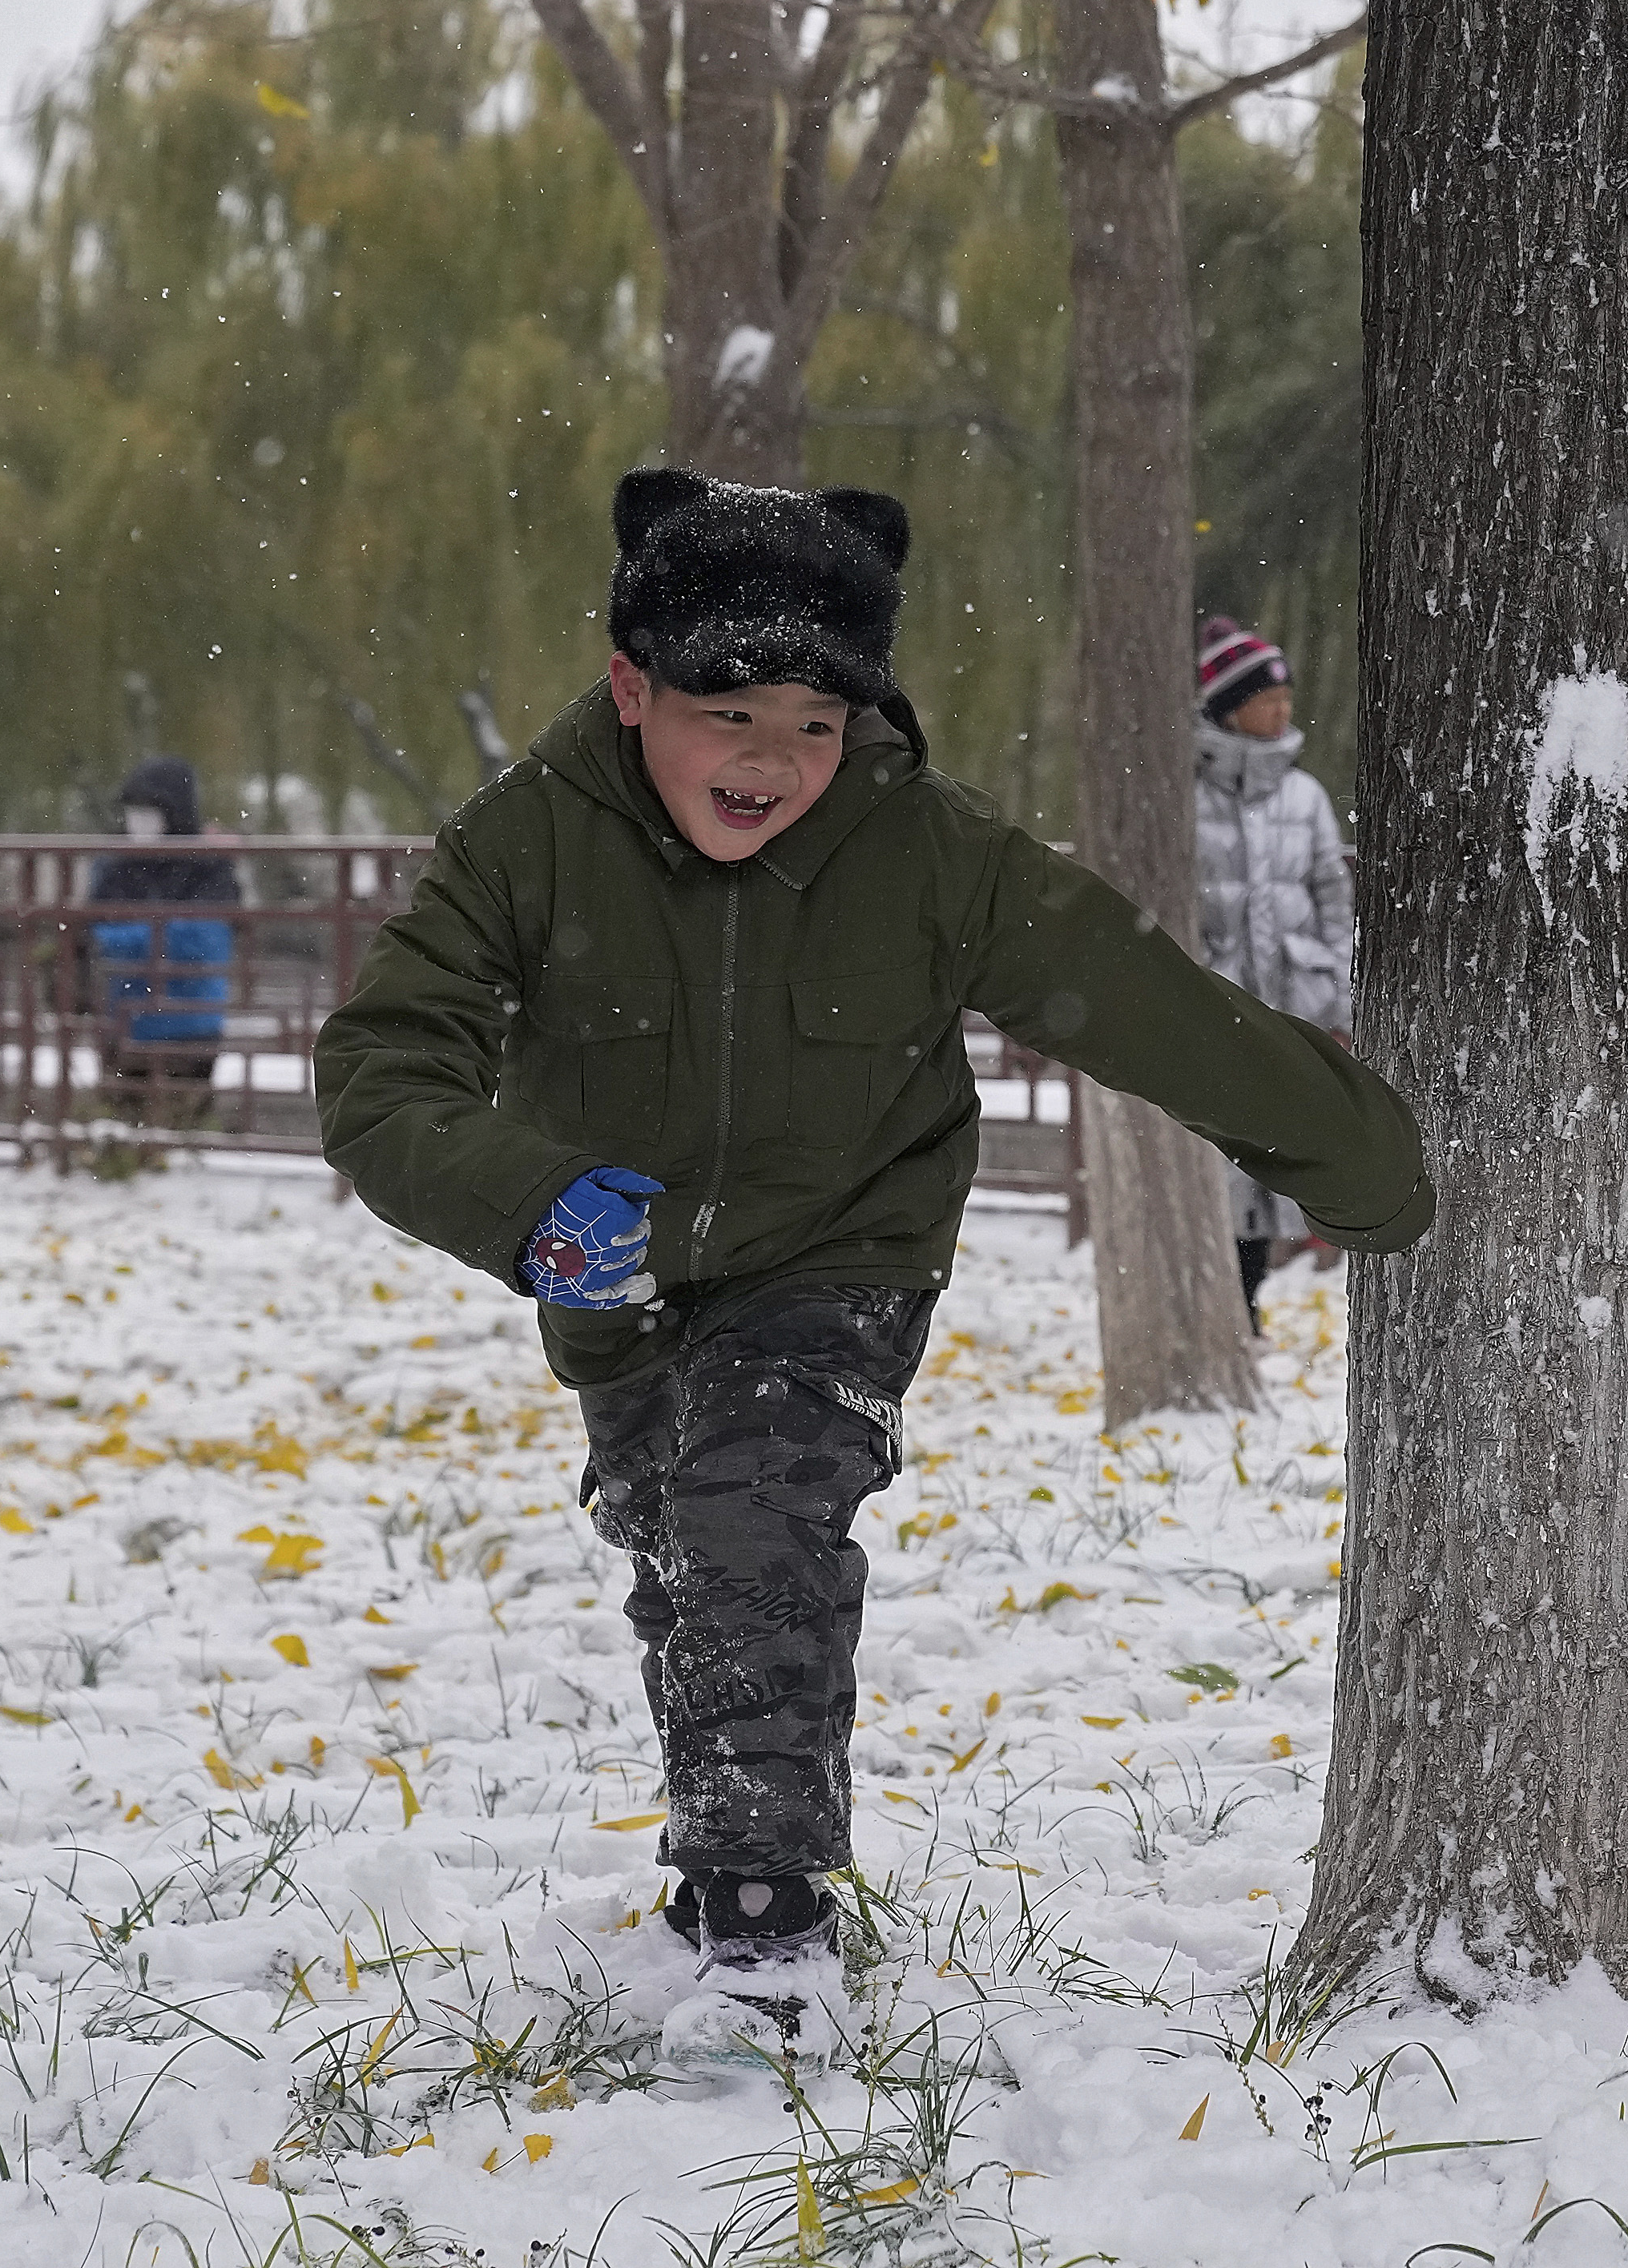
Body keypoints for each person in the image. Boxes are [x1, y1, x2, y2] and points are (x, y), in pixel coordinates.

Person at [316, 471, 1432, 2052]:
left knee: (754, 1509)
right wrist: (528, 1200)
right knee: (680, 1550)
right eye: (729, 711)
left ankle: (767, 1930)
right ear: (633, 685)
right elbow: (382, 1072)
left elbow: (1141, 997)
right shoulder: (526, 840)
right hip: (607, 1261)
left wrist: (1369, 1166)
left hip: (844, 1239)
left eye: (816, 722)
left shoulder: (922, 848)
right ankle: (724, 1874)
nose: (774, 758)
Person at [1191, 618, 1357, 1313]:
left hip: (1298, 1002)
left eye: (1287, 698)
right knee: (1227, 1161)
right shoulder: (1188, 800)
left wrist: (1339, 994)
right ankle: (1232, 1305)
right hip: (1220, 1010)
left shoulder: (1305, 797)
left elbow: (1332, 898)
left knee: (1286, 1155)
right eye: (1269, 698)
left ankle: (1259, 1296)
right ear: (1233, 705)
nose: (1284, 711)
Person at [89, 755, 244, 1119]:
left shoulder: (208, 864)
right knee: (124, 1127)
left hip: (190, 1023)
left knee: (181, 1125)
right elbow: (92, 929)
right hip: (125, 1022)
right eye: (133, 812)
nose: (137, 823)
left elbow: (203, 941)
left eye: (149, 812)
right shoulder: (117, 864)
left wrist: (131, 939)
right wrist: (159, 933)